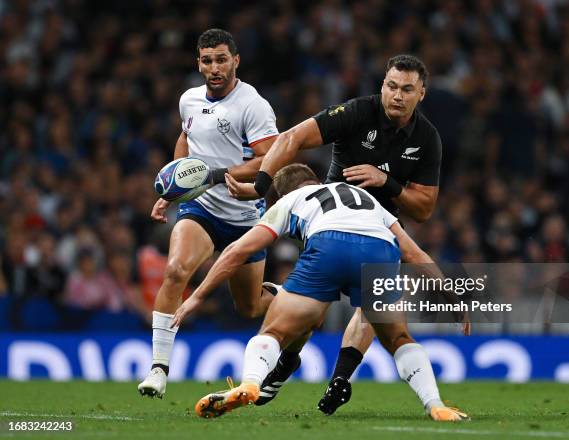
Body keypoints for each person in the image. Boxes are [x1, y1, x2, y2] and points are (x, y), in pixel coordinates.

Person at [225, 54, 467, 413]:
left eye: (406, 89)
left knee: (359, 309)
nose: (396, 95)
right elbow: (292, 138)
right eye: (390, 86)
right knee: (327, 314)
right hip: (329, 219)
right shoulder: (357, 113)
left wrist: (387, 182)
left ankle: (332, 377)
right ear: (382, 84)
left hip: (381, 225)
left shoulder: (428, 139)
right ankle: (301, 360)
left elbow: (425, 208)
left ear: (422, 94)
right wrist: (263, 186)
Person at [171, 164, 469, 422]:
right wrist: (452, 297)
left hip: (329, 246)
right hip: (379, 249)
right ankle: (436, 405)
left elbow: (239, 250)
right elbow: (414, 254)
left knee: (274, 331)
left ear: (283, 192)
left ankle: (250, 383)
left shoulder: (292, 200)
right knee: (399, 339)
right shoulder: (368, 200)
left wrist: (197, 296)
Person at [137, 29, 279, 398]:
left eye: (221, 59)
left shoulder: (253, 105)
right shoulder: (189, 100)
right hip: (201, 208)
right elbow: (186, 139)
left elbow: (273, 158)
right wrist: (171, 189)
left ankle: (282, 296)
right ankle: (158, 369)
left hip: (246, 216)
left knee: (248, 307)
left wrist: (219, 174)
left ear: (235, 61)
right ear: (198, 62)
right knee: (175, 271)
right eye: (206, 60)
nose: (214, 68)